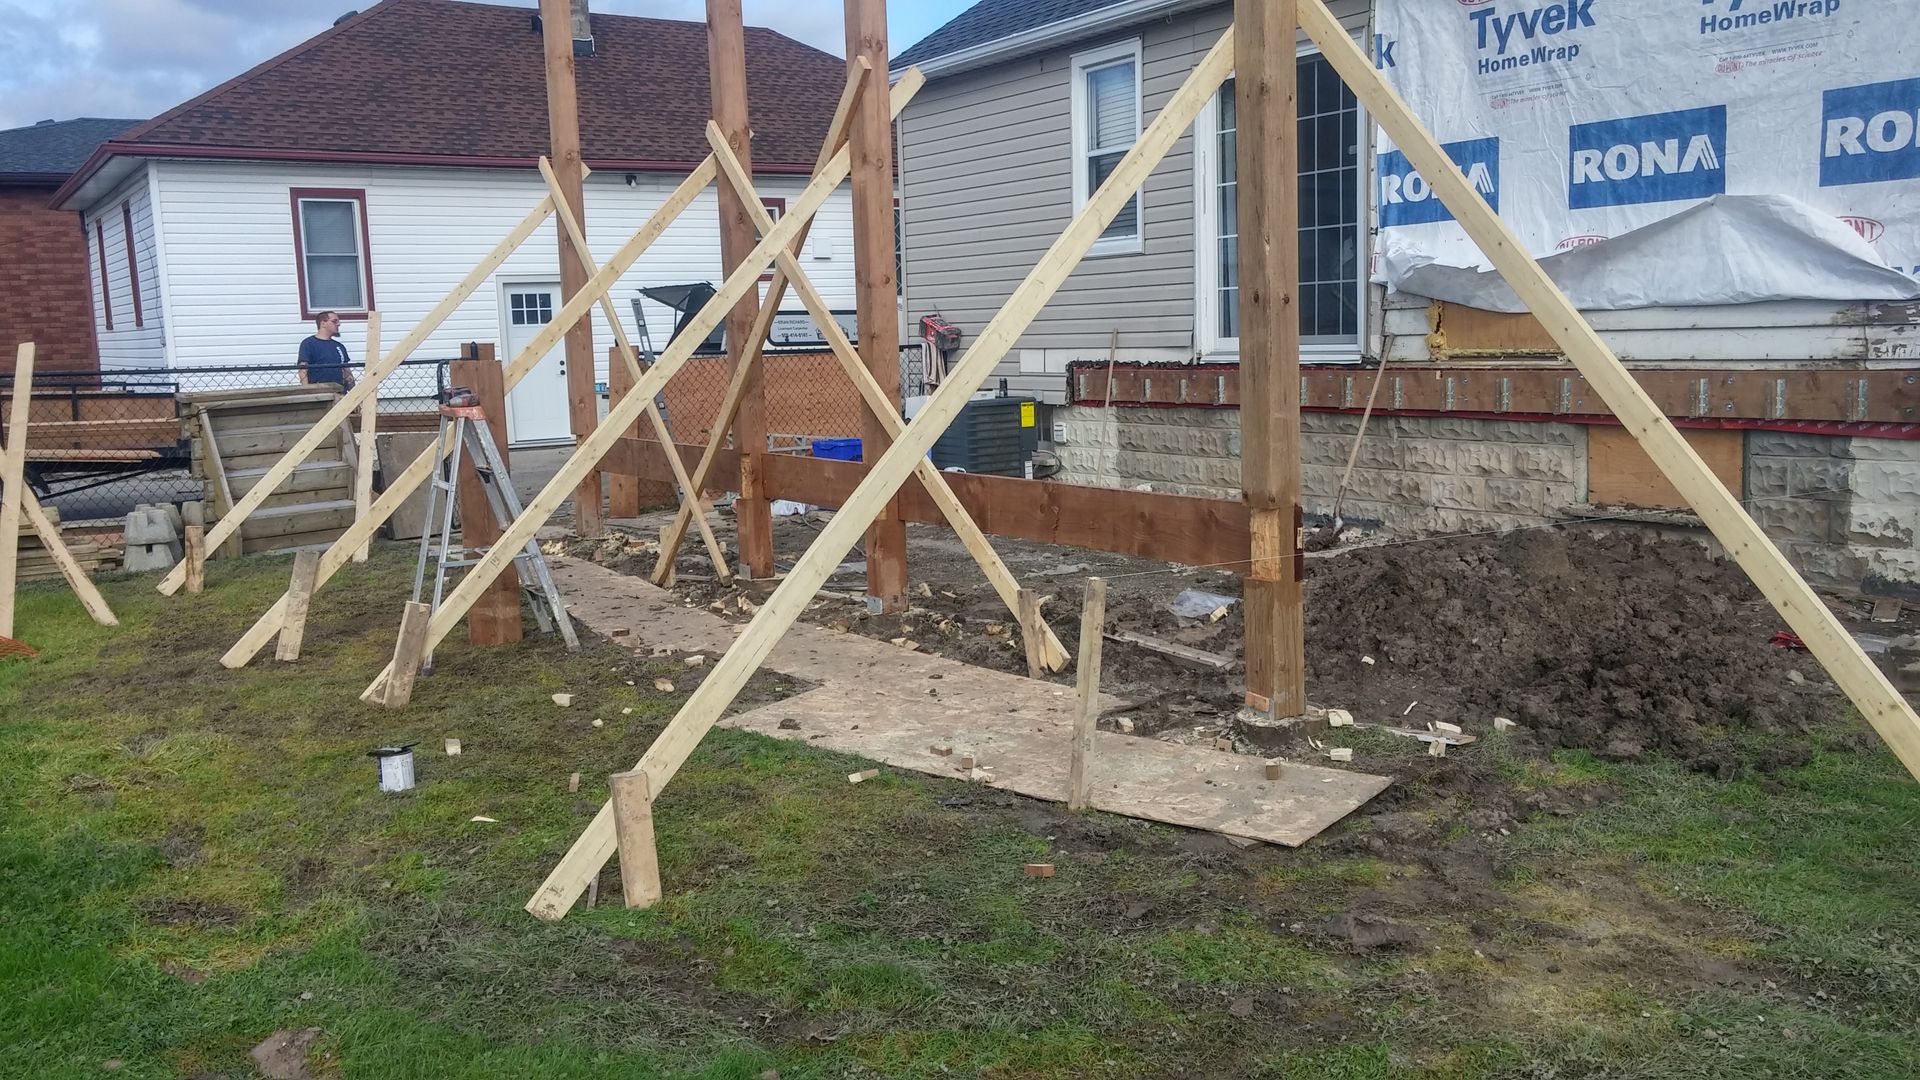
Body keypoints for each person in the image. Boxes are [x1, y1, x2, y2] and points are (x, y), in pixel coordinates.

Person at [297, 311, 356, 389]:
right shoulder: (308, 344)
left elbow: (346, 371)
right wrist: (307, 391)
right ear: (323, 324)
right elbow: (303, 370)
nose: (338, 324)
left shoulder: (339, 346)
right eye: (334, 321)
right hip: (319, 393)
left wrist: (353, 391)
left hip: (339, 392)